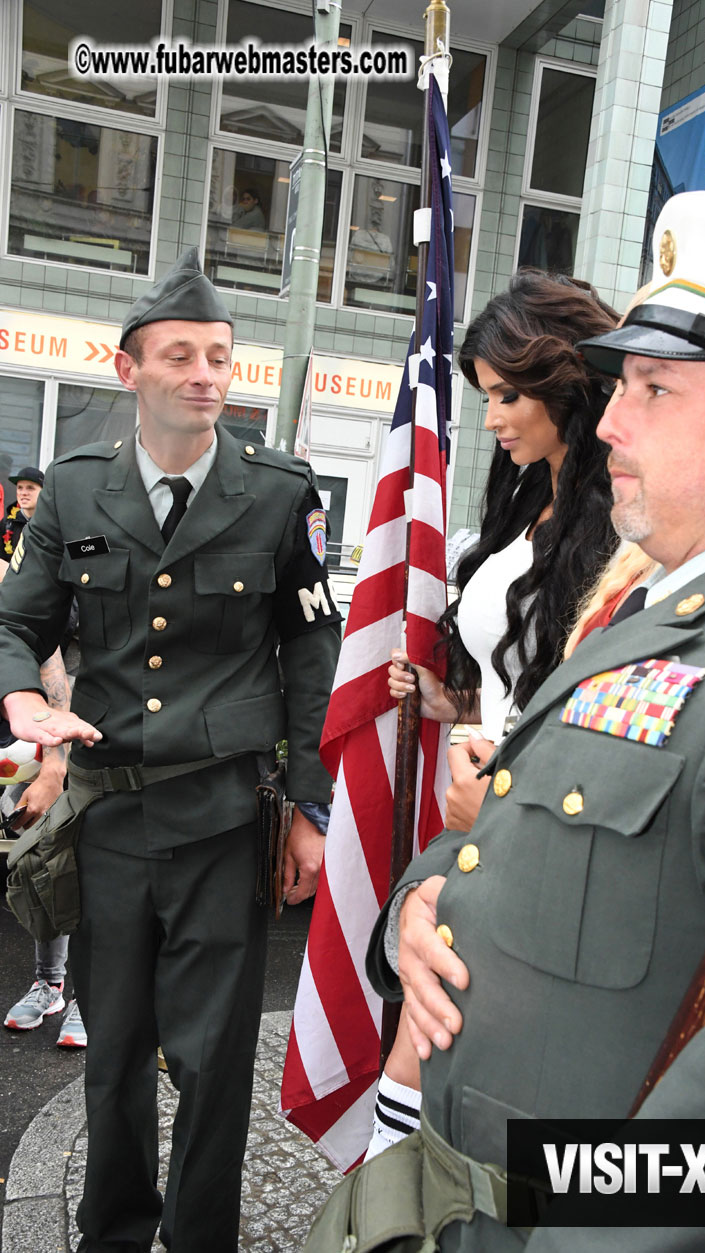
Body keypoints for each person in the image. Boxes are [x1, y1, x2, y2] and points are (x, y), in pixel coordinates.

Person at [356, 190, 705, 1252]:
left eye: (655, 389)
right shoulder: (648, 619)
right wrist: (416, 911)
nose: (609, 418)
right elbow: (505, 839)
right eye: (622, 386)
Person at [0, 247, 341, 1253]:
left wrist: (314, 808)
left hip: (224, 818)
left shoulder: (280, 492)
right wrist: (21, 694)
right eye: (181, 355)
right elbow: (15, 619)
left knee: (213, 1058)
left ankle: (198, 1241)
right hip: (107, 819)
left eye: (221, 357)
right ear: (129, 369)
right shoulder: (71, 491)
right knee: (111, 1057)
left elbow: (312, 647)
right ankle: (111, 1235)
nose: (205, 375)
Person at [370, 271, 620, 1156]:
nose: (493, 418)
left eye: (508, 394)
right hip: (479, 817)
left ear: (567, 381)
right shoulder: (527, 497)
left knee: (444, 1056)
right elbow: (519, 673)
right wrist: (451, 700)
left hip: (538, 828)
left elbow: (596, 706)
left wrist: (505, 792)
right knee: (426, 1048)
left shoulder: (626, 522)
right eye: (486, 397)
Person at [0, 482, 87, 1047]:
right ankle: (50, 984)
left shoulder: (87, 541)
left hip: (86, 731)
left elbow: (55, 660)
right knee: (42, 864)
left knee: (84, 864)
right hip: (33, 735)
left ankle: (87, 994)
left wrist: (56, 767)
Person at [2, 466, 43, 562]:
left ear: (44, 491)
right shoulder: (5, 525)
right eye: (20, 488)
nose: (24, 493)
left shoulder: (53, 525)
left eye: (30, 488)